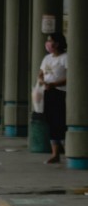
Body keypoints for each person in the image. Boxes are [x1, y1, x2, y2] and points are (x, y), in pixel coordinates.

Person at [38, 32, 68, 164]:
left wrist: (54, 84)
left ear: (57, 43)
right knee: (50, 120)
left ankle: (61, 150)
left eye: (50, 41)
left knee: (59, 121)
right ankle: (55, 151)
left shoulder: (65, 58)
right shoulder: (47, 58)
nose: (48, 43)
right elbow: (41, 73)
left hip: (59, 92)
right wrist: (42, 81)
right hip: (47, 91)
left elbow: (71, 76)